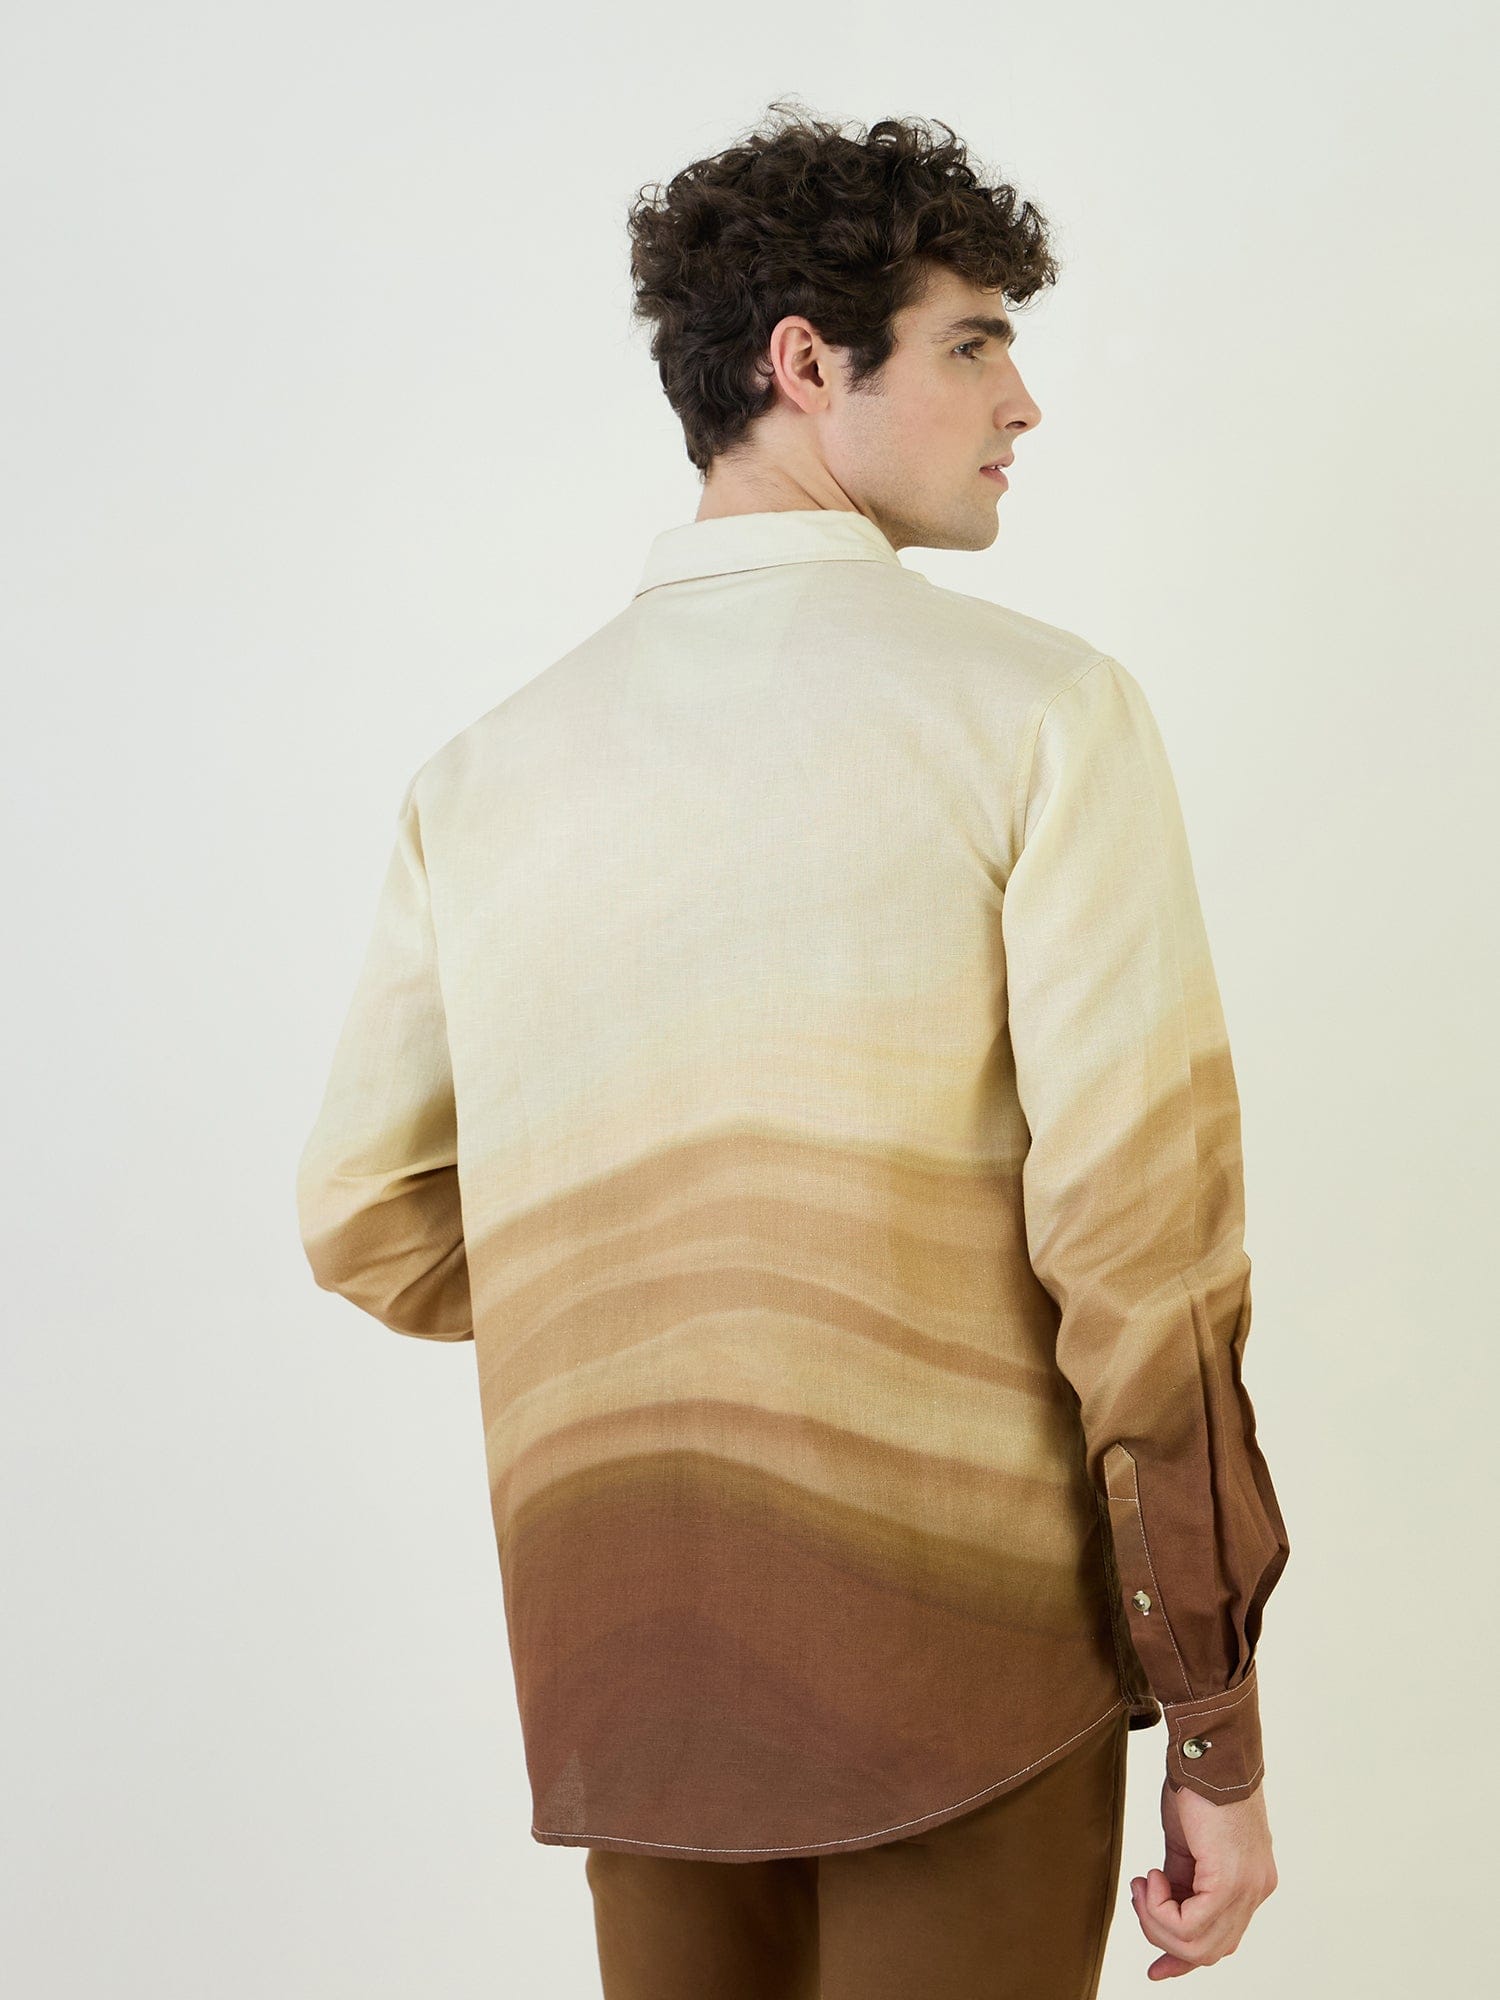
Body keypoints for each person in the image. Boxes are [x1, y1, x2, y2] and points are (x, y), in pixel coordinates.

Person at [295, 102, 1291, 1997]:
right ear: (807, 365)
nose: (1022, 403)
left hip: (630, 1670)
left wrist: (662, 1293)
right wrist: (1216, 1724)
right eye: (975, 342)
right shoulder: (1040, 714)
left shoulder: (486, 777)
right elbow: (1143, 1257)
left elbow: (367, 1213)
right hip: (968, 1653)